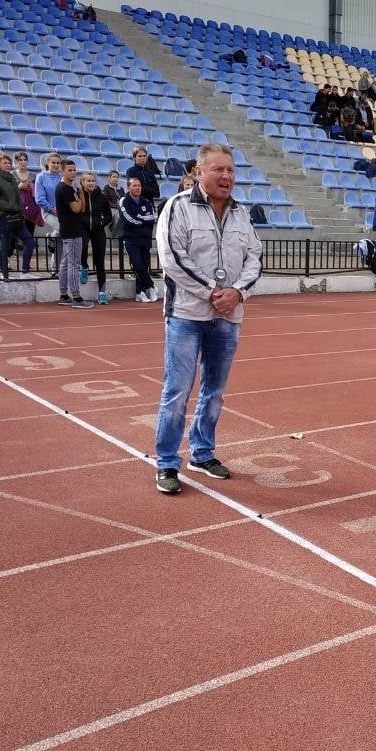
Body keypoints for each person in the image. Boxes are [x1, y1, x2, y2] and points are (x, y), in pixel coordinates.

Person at [153, 143, 262, 493]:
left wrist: (238, 293)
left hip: (228, 316)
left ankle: (202, 452)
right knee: (177, 390)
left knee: (214, 391)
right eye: (218, 169)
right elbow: (172, 259)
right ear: (198, 172)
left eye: (230, 170)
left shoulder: (242, 214)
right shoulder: (177, 208)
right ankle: (168, 462)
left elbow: (255, 258)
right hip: (186, 314)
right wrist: (212, 293)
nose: (226, 176)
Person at [0, 153, 37, 282]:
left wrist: (20, 208)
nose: (7, 165)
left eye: (8, 163)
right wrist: (9, 206)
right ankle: (4, 273)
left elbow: (17, 195)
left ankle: (24, 271)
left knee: (30, 241)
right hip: (3, 216)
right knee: (5, 245)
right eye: (4, 163)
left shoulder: (11, 178)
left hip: (17, 215)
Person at [54, 159, 91, 308]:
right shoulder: (65, 188)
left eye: (74, 170)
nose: (73, 172)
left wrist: (81, 193)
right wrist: (80, 195)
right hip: (72, 231)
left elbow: (81, 209)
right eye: (69, 170)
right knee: (73, 264)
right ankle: (76, 297)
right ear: (62, 171)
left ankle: (64, 295)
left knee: (65, 263)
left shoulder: (69, 188)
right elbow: (77, 209)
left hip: (70, 229)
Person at [120, 176, 158, 302]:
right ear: (128, 187)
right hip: (131, 239)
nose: (137, 188)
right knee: (137, 264)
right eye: (134, 185)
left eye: (139, 186)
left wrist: (139, 218)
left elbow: (153, 217)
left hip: (145, 238)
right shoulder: (124, 201)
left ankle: (140, 292)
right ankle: (151, 286)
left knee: (144, 265)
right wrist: (143, 219)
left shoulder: (146, 201)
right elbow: (128, 219)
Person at [80, 172, 113, 304]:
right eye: (88, 181)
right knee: (82, 247)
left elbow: (109, 216)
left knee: (99, 261)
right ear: (82, 182)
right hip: (83, 229)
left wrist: (101, 223)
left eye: (93, 180)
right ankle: (84, 266)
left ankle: (102, 292)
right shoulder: (78, 195)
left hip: (98, 230)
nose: (91, 183)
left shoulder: (101, 197)